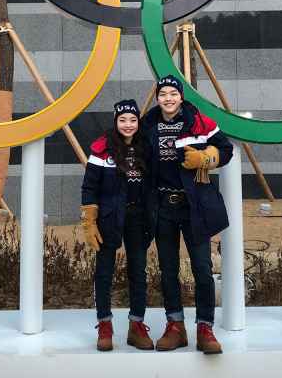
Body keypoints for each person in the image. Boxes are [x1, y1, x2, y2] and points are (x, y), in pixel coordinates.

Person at [141, 75, 233, 354]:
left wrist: (206, 158)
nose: (167, 98)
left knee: (202, 269)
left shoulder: (199, 122)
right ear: (157, 98)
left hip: (194, 207)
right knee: (167, 270)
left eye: (172, 93)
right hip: (162, 207)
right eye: (163, 94)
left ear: (181, 96)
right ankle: (175, 327)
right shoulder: (147, 125)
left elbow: (226, 149)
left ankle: (205, 328)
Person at [80, 99, 154, 352]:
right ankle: (104, 325)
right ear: (115, 121)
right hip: (110, 219)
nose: (128, 125)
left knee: (138, 271)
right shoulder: (102, 149)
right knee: (104, 272)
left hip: (138, 218)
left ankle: (136, 325)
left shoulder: (146, 147)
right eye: (123, 120)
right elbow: (89, 187)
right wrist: (89, 220)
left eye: (133, 120)